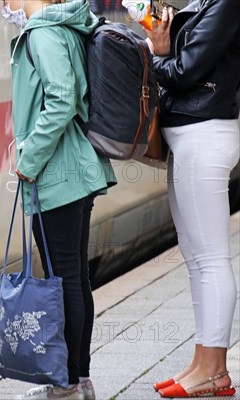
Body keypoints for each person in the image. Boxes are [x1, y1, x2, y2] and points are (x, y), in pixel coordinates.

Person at [2, 1, 116, 399]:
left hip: (57, 174)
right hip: (74, 171)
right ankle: (78, 379)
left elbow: (63, 99)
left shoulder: (43, 33)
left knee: (64, 279)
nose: (4, 5)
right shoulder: (64, 26)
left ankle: (65, 384)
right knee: (74, 277)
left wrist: (28, 158)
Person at [145, 1, 240, 398]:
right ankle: (204, 362)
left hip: (205, 136)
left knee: (211, 257)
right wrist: (163, 47)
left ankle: (215, 367)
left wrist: (154, 53)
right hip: (189, 136)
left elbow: (185, 72)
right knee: (195, 256)